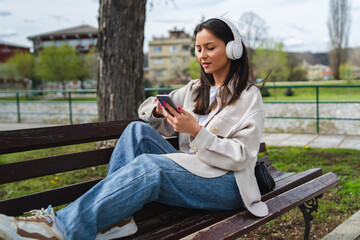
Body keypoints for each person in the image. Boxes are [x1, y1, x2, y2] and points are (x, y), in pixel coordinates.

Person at [0, 17, 267, 240]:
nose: (202, 55)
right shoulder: (194, 90)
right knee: (136, 132)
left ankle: (59, 227)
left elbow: (242, 156)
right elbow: (145, 109)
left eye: (210, 47)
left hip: (227, 184)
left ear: (233, 50)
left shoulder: (249, 96)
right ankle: (118, 220)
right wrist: (157, 110)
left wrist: (197, 131)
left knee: (152, 166)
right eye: (198, 49)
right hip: (192, 170)